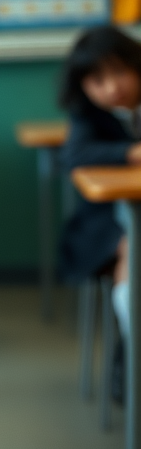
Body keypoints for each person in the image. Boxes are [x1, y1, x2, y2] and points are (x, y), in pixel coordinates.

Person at [58, 25, 141, 343]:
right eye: (97, 81)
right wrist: (130, 152)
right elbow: (75, 155)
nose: (112, 88)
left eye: (119, 72)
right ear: (83, 87)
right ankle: (130, 352)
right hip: (104, 224)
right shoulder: (87, 115)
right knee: (133, 243)